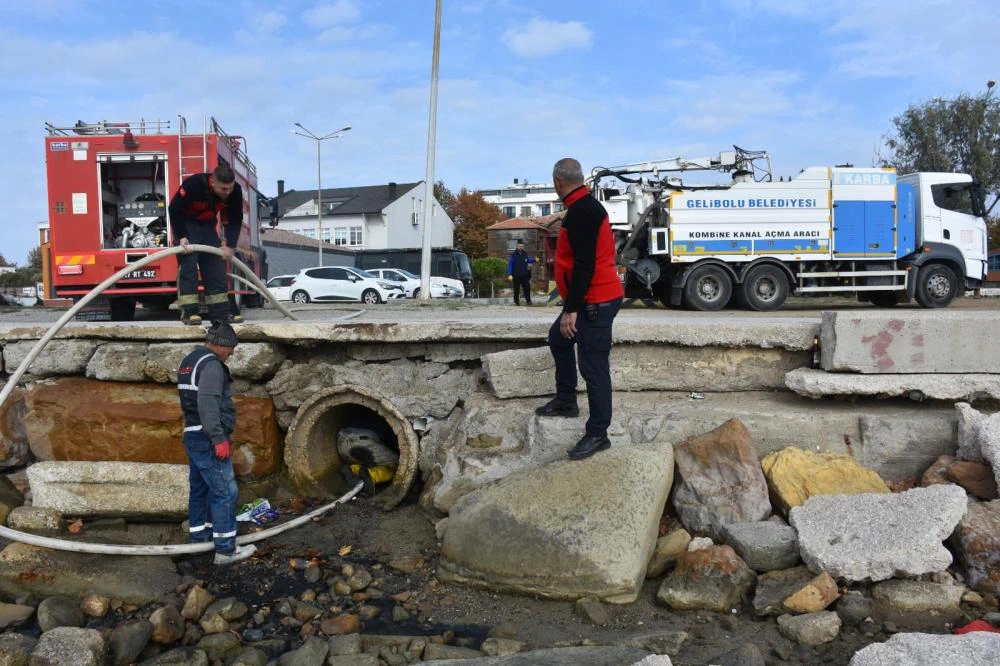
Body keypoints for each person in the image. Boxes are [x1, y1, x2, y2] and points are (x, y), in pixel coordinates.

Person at [535, 158, 624, 461]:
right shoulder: (582, 207)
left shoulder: (583, 212)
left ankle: (599, 434)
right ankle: (566, 400)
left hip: (596, 301)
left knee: (593, 366)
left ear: (557, 182)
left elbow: (585, 265)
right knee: (558, 338)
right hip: (588, 298)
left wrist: (571, 310)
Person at [177, 320, 256, 565]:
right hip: (208, 437)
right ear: (221, 345)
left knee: (200, 489)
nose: (232, 354)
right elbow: (208, 401)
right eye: (231, 348)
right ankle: (225, 550)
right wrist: (218, 438)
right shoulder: (212, 366)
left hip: (193, 434)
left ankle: (200, 540)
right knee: (225, 491)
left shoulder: (190, 361)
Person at [169, 164, 244, 326]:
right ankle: (190, 313)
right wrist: (181, 236)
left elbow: (235, 220)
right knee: (188, 267)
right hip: (187, 226)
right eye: (223, 189)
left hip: (208, 227)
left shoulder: (235, 191)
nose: (227, 193)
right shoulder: (194, 184)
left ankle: (221, 314)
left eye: (229, 188)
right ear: (213, 182)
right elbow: (174, 209)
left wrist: (230, 245)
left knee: (216, 267)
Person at [506, 241, 535, 305]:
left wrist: (534, 260)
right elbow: (510, 265)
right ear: (517, 247)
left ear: (523, 247)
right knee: (516, 289)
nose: (521, 247)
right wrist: (509, 274)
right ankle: (516, 301)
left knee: (527, 288)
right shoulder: (513, 255)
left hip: (525, 275)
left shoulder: (525, 254)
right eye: (519, 246)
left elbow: (527, 260)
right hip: (516, 275)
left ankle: (528, 301)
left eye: (522, 246)